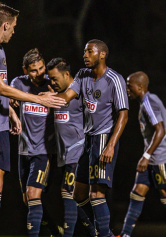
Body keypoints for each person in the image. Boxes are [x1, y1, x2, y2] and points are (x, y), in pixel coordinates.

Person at [0, 3, 66, 237]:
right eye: (13, 27)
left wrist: (12, 113)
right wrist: (39, 100)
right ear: (5, 25)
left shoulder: (1, 54)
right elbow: (0, 87)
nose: (14, 32)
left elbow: (0, 92)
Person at [52, 39, 129, 236]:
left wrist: (111, 145)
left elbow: (123, 114)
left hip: (103, 139)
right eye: (85, 52)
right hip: (87, 140)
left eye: (90, 52)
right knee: (77, 194)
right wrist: (39, 98)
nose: (85, 55)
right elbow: (66, 97)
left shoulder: (115, 79)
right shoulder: (83, 74)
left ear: (102, 54)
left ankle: (104, 234)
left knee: (96, 194)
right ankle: (103, 232)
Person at [118, 71, 166, 237]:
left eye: (130, 86)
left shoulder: (148, 102)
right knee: (137, 193)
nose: (128, 89)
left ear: (141, 87)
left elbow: (161, 130)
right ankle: (125, 234)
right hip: (151, 159)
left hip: (160, 158)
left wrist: (146, 156)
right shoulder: (153, 99)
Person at [10, 48, 59, 237]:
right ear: (25, 70)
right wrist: (12, 107)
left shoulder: (51, 84)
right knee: (27, 199)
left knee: (33, 195)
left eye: (41, 68)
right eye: (33, 70)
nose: (39, 73)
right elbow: (2, 97)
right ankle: (54, 231)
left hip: (44, 150)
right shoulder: (18, 84)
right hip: (24, 150)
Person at [47, 57, 97, 237]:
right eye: (50, 79)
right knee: (76, 197)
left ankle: (76, 233)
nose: (52, 82)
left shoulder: (78, 92)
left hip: (77, 152)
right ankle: (95, 231)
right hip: (62, 154)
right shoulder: (55, 92)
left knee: (67, 193)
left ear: (67, 74)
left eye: (54, 78)